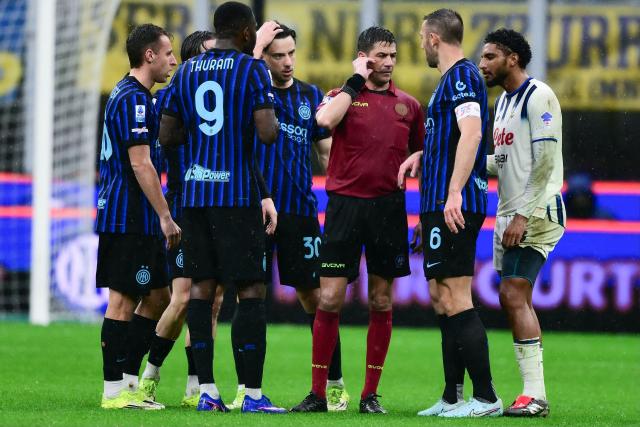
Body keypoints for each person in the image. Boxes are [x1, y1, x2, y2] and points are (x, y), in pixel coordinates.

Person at [139, 30, 278, 409]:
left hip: (196, 198)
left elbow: (168, 136)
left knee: (206, 296)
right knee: (213, 293)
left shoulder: (184, 81)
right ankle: (150, 375)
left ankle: (199, 388)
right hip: (206, 202)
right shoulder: (243, 72)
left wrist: (263, 192)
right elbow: (264, 134)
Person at [291, 26, 424, 414]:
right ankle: (319, 393)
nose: (387, 63)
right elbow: (323, 124)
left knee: (381, 300)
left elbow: (421, 157)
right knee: (329, 299)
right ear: (363, 57)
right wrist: (354, 81)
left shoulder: (410, 106)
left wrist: (421, 214)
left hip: (388, 209)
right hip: (344, 208)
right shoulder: (342, 95)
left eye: (393, 56)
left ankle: (370, 396)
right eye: (380, 56)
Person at [240, 21, 349, 411]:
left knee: (315, 296)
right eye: (278, 55)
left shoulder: (309, 95)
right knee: (247, 295)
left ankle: (333, 384)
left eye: (291, 53)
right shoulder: (249, 91)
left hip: (300, 212)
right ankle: (246, 389)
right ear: (264, 57)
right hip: (251, 208)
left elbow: (326, 153)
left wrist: (343, 195)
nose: (287, 62)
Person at [398, 9, 502, 417]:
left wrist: (454, 191)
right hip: (439, 206)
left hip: (455, 203)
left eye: (422, 37)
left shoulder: (461, 76)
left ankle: (486, 397)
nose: (421, 43)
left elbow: (473, 132)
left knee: (456, 295)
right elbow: (456, 136)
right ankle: (452, 395)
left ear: (434, 38)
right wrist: (424, 156)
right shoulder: (450, 81)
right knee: (442, 297)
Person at [479, 28, 565, 417]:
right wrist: (454, 165)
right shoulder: (503, 104)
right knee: (513, 296)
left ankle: (535, 395)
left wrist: (522, 215)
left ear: (512, 59)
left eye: (491, 56)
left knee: (513, 293)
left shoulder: (539, 95)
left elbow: (546, 163)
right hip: (510, 212)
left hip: (536, 212)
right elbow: (500, 162)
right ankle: (532, 393)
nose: (483, 64)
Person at [96, 23, 180, 410]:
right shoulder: (135, 100)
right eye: (168, 53)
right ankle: (114, 390)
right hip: (127, 215)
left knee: (159, 296)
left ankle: (128, 380)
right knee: (123, 300)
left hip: (136, 216)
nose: (173, 61)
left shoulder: (133, 94)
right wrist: (166, 216)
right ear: (149, 55)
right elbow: (141, 164)